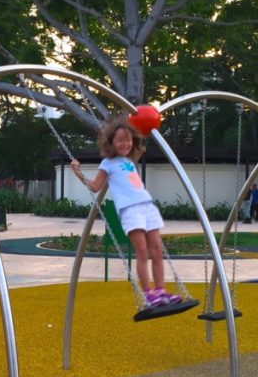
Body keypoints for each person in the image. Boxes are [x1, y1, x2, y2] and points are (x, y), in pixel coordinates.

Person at [71, 116, 181, 309]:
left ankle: (161, 291)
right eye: (120, 140)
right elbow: (96, 187)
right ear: (111, 142)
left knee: (156, 251)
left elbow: (142, 136)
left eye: (128, 139)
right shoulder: (107, 163)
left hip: (147, 206)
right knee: (142, 252)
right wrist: (77, 172)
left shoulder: (130, 160)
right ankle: (148, 295)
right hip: (130, 210)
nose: (125, 144)